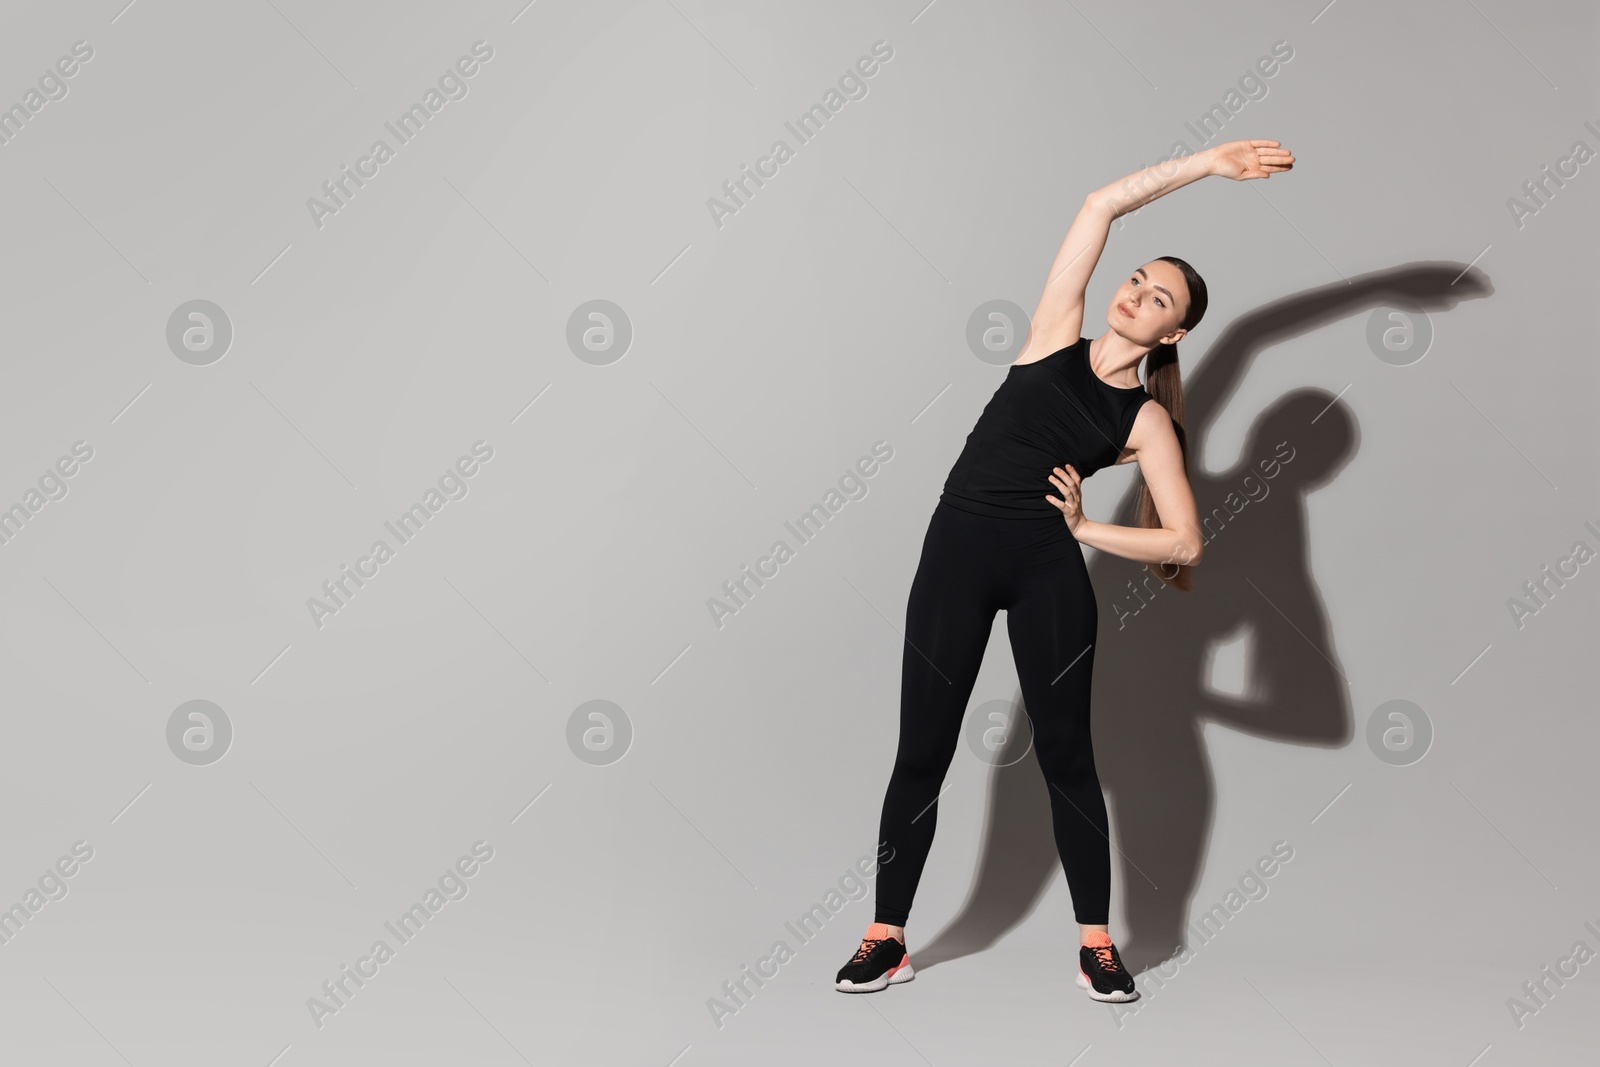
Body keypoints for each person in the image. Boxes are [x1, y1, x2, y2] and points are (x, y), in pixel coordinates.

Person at [835, 140, 1295, 1000]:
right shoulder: (1053, 334)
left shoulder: (1147, 421)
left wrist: (1087, 529)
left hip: (1049, 571)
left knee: (1069, 757)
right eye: (1136, 279)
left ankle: (1097, 944)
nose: (1134, 294)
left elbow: (1187, 543)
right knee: (921, 753)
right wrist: (1207, 164)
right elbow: (1099, 204)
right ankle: (885, 935)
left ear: (1175, 331)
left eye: (1159, 298)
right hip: (957, 555)